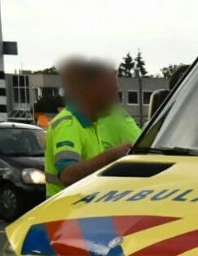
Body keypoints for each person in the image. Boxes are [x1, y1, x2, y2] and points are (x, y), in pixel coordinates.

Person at [44, 59, 132, 196]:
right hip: (69, 213)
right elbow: (68, 175)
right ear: (91, 90)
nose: (116, 99)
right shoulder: (68, 125)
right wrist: (112, 155)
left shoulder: (91, 125)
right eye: (111, 91)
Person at [96, 66, 142, 150]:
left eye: (115, 91)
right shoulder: (74, 122)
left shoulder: (115, 119)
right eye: (109, 91)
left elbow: (144, 154)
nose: (116, 98)